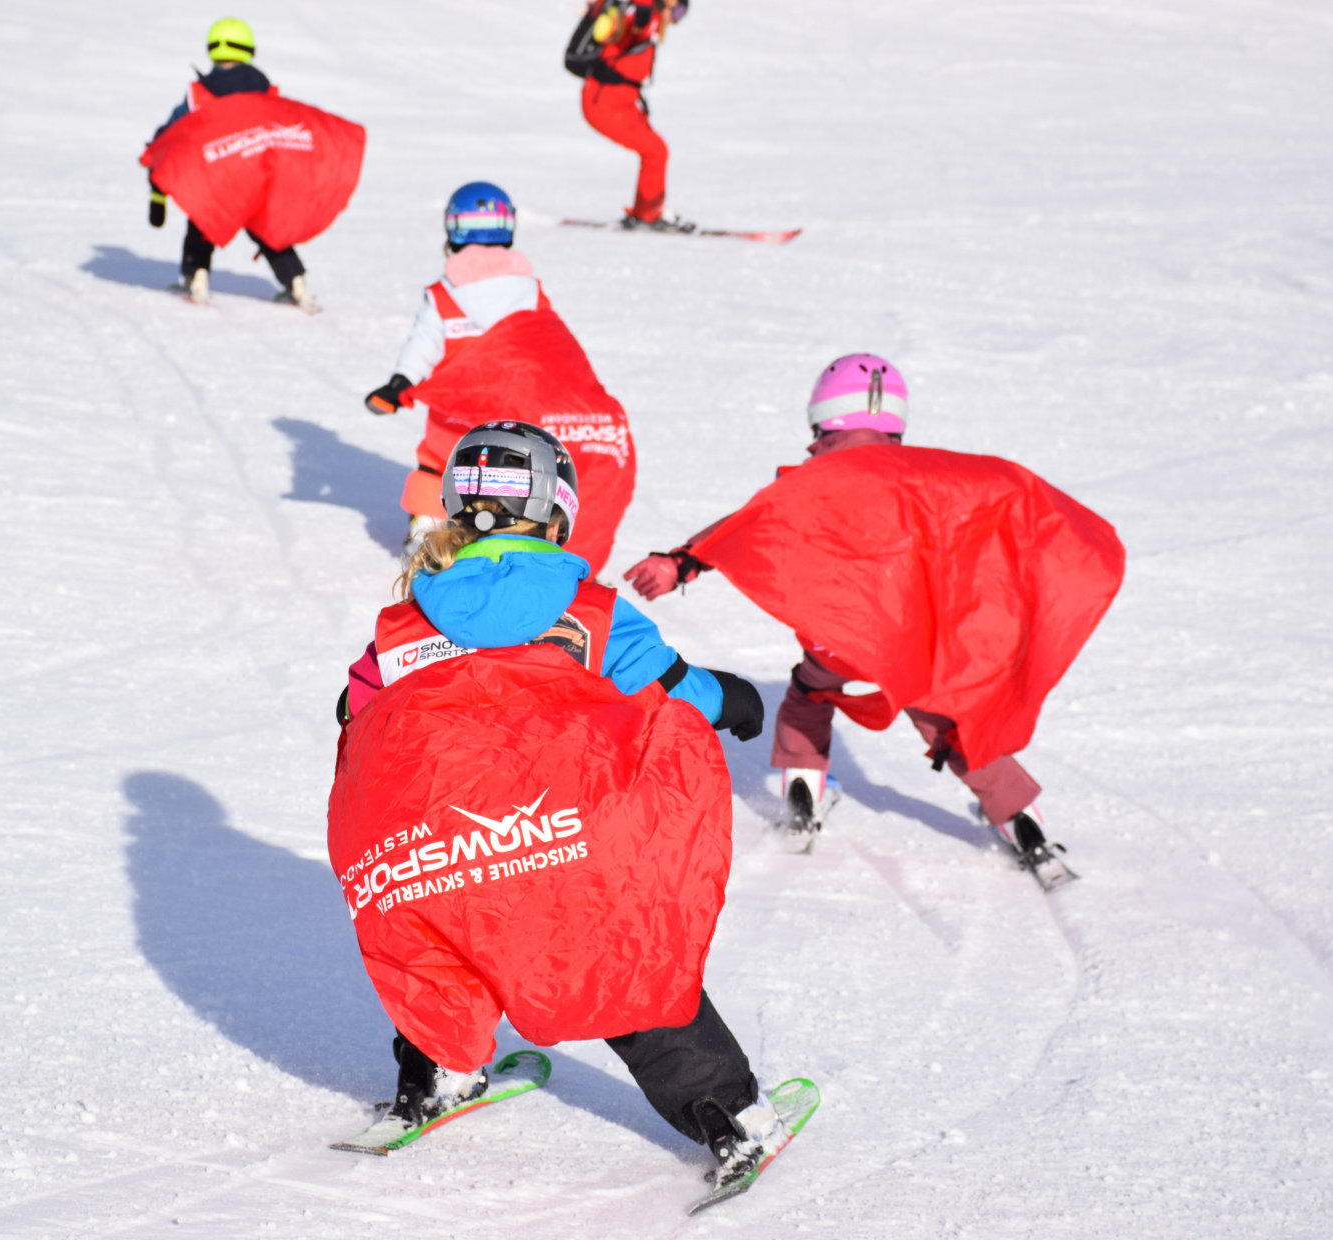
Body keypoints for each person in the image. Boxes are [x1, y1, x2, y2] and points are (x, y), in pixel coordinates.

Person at [329, 420, 778, 1176]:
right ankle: (730, 1117)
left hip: (440, 848)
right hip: (560, 836)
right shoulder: (591, 612)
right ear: (556, 510)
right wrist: (735, 699)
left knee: (442, 941)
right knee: (614, 959)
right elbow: (677, 692)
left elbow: (356, 711)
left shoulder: (403, 624)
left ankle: (434, 1075)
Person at [624, 355, 1125, 880]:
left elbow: (753, 523)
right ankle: (1024, 825)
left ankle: (803, 799)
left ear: (822, 414)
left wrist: (681, 561)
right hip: (915, 645)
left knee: (810, 694)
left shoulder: (814, 479)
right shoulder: (928, 477)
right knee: (954, 727)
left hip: (837, 641)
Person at [364, 183, 636, 574]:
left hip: (460, 410)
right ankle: (514, 537)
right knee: (512, 472)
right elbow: (545, 344)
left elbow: (421, 345)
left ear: (453, 230)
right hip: (518, 406)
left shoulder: (444, 294)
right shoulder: (529, 290)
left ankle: (428, 535)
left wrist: (398, 386)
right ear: (508, 228)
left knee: (440, 462)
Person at [141, 18, 365, 312]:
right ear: (248, 49)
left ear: (212, 49)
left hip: (218, 175)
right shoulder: (264, 90)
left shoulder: (200, 93)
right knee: (267, 227)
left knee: (203, 221)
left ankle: (196, 278)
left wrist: (156, 171)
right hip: (258, 177)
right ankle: (296, 282)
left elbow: (174, 133)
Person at [568, 1, 691, 230]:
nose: (675, 19)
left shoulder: (651, 21)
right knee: (656, 151)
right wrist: (643, 9)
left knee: (656, 151)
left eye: (681, 14)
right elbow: (636, 21)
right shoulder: (645, 16)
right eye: (677, 11)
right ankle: (649, 215)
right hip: (603, 102)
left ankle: (646, 213)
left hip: (623, 102)